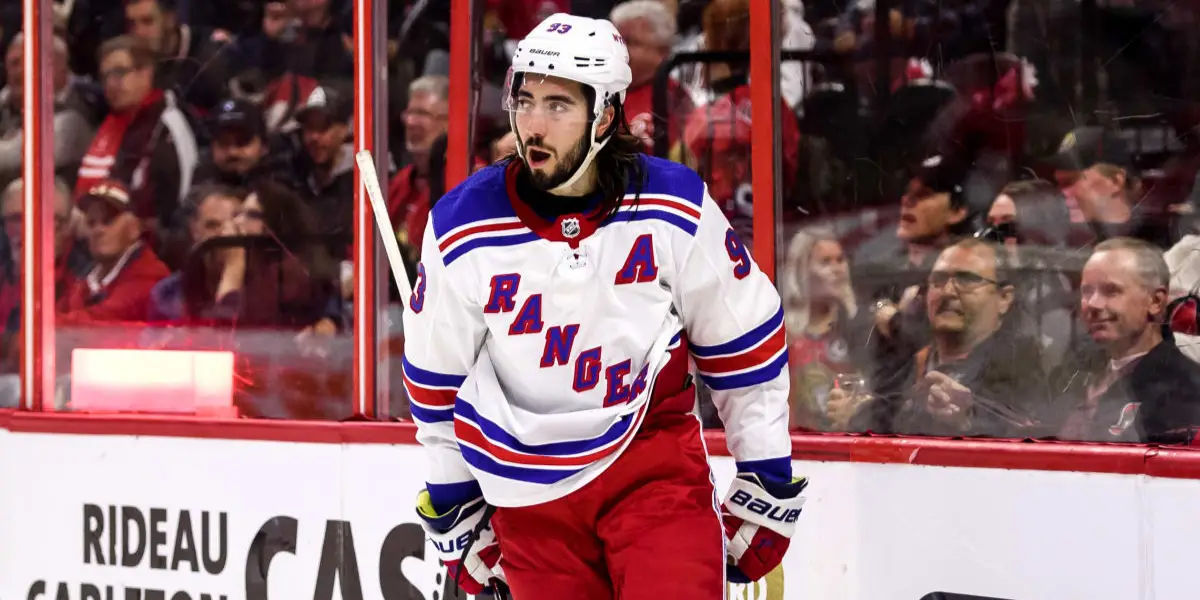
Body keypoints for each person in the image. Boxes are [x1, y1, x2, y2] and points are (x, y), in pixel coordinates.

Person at [403, 13, 807, 600]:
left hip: (653, 474)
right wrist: (454, 506)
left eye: (559, 105)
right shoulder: (462, 226)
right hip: (526, 493)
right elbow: (437, 390)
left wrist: (764, 472)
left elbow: (744, 347)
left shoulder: (673, 205)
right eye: (525, 100)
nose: (533, 124)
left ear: (607, 115)